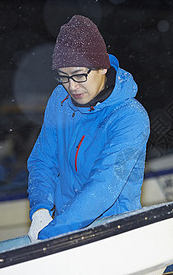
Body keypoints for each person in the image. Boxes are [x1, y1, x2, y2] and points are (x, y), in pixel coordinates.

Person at [27, 15, 150, 241]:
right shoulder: (59, 100)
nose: (72, 86)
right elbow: (43, 160)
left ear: (102, 68)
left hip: (116, 233)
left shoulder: (130, 117)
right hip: (65, 230)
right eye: (63, 77)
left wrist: (53, 235)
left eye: (79, 75)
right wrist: (41, 211)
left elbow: (104, 186)